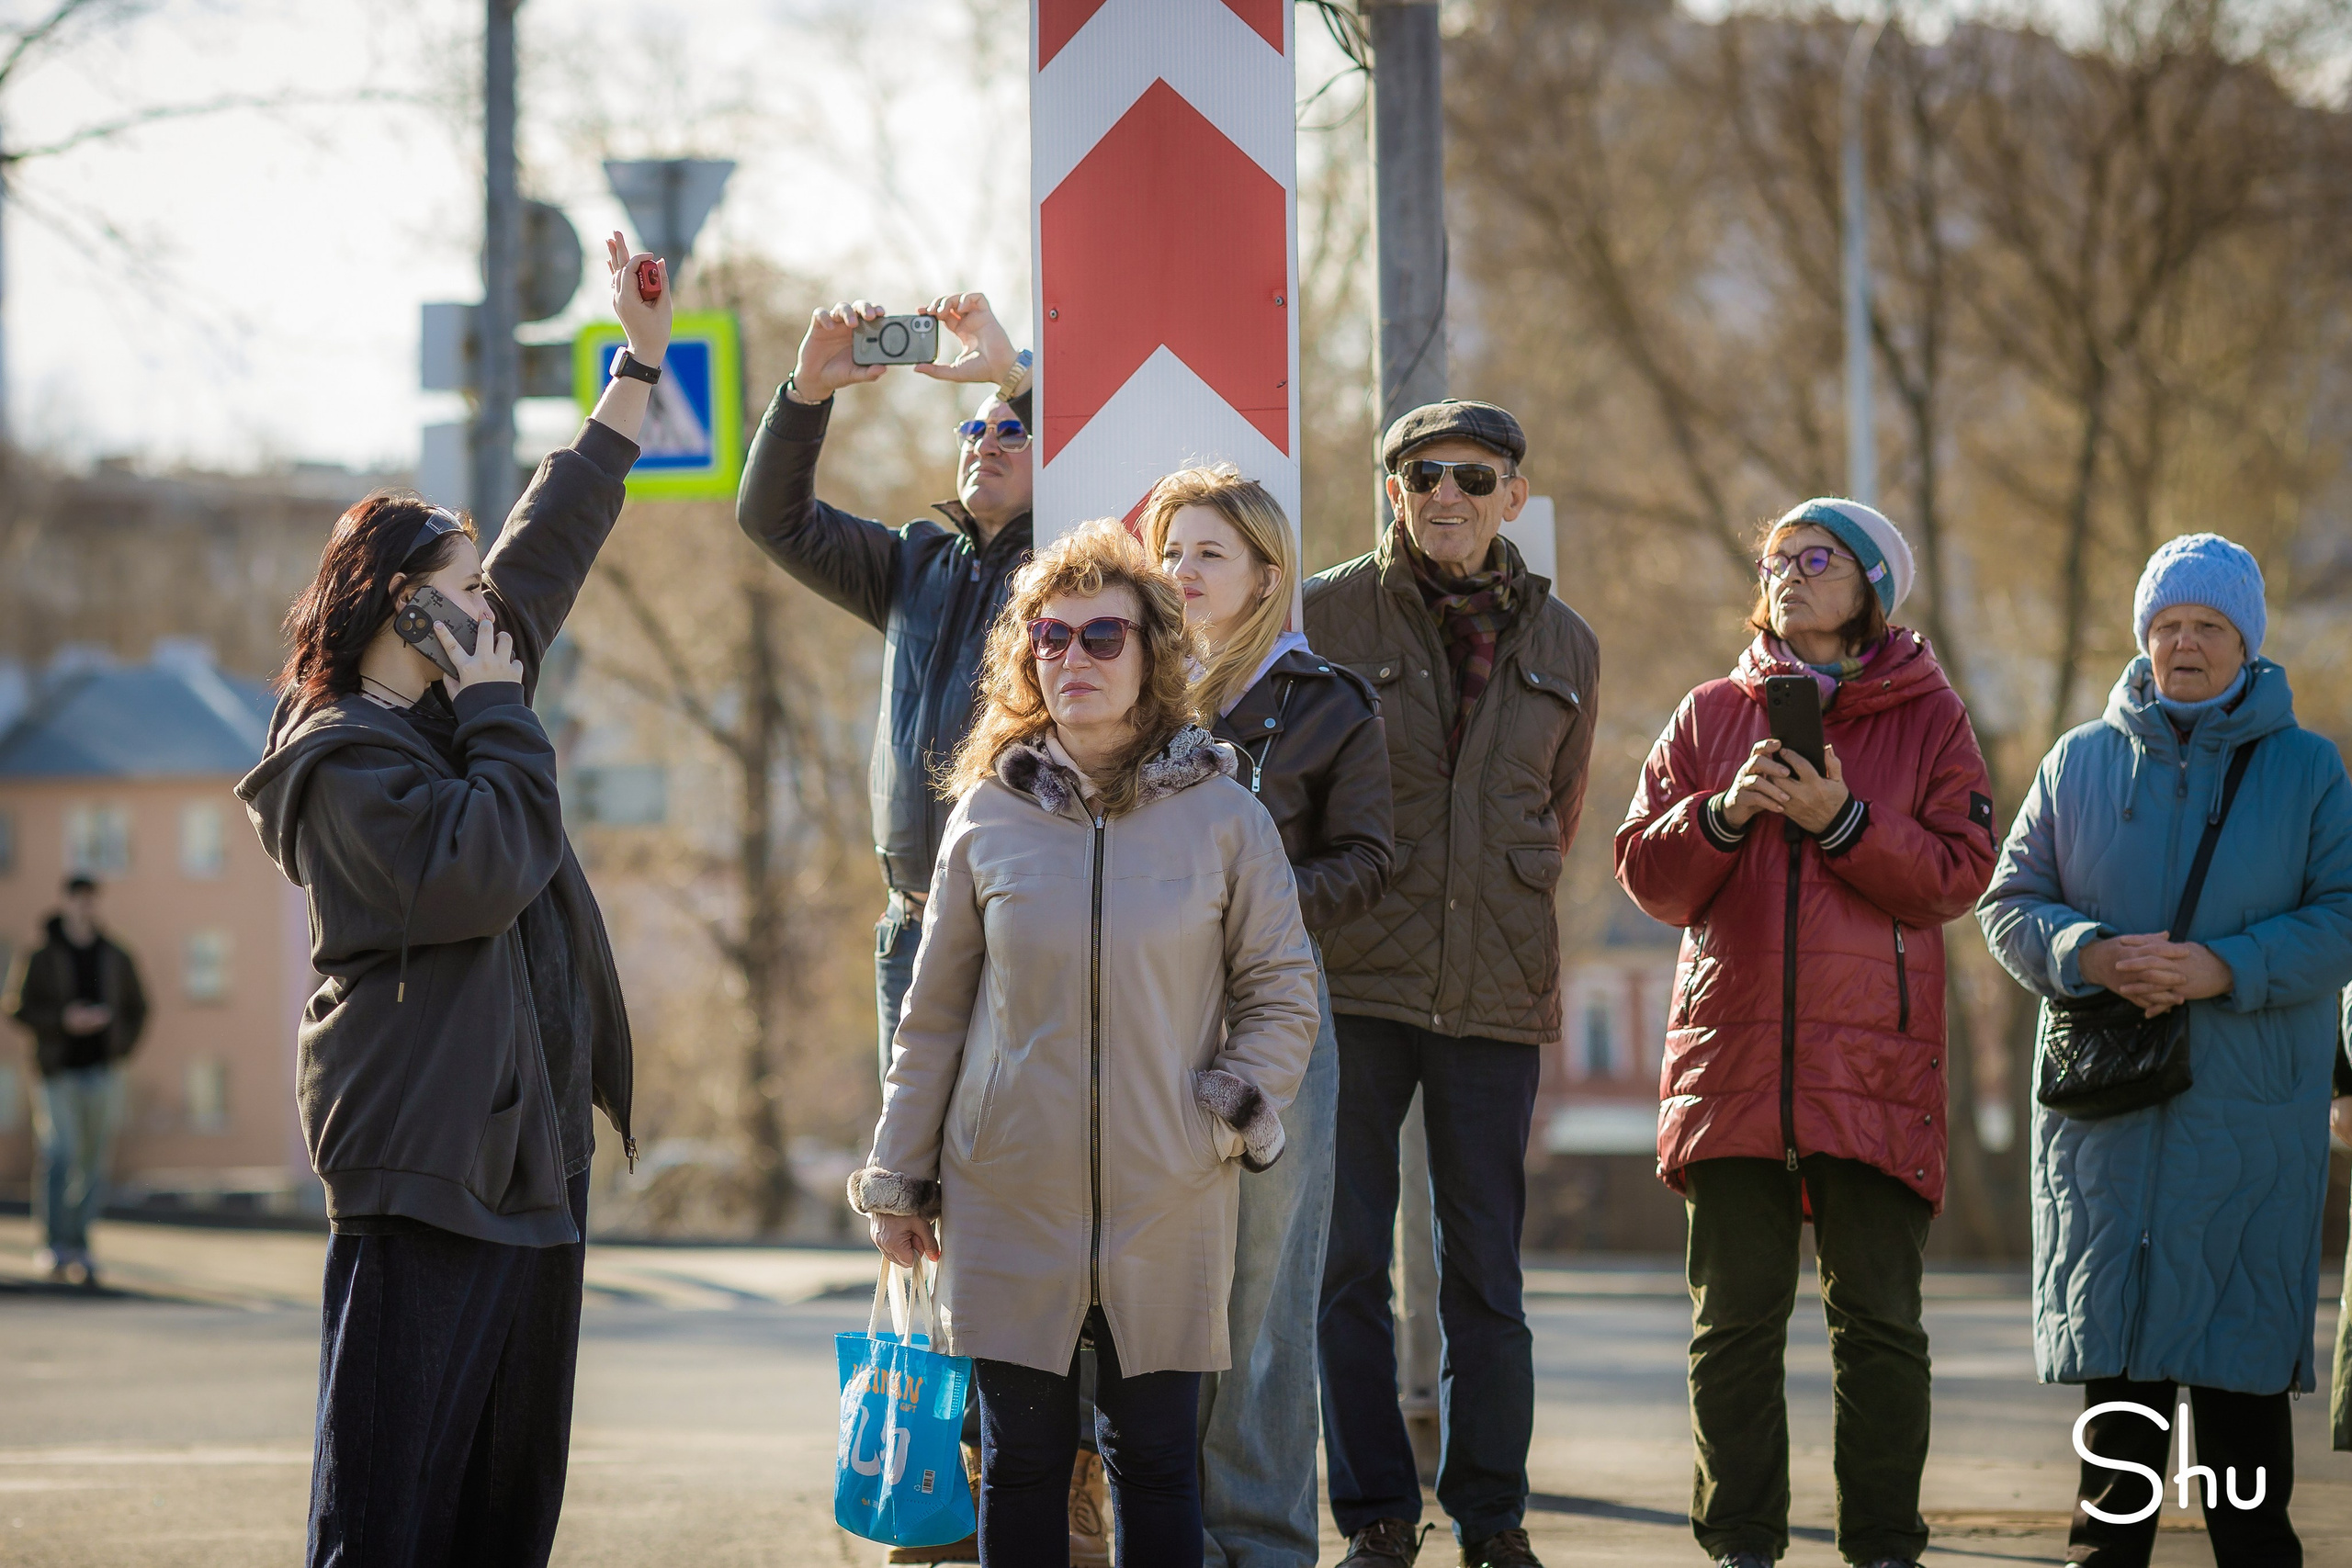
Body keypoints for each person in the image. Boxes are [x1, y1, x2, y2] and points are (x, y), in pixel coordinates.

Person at [233, 234, 667, 1568]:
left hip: (531, 1158)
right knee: (388, 1512)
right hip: (426, 1166)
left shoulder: (461, 694)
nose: (495, 617)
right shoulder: (343, 758)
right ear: (401, 611)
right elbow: (482, 867)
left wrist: (639, 362)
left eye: (485, 599)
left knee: (502, 1504)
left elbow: (556, 530)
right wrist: (496, 704)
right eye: (465, 597)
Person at [849, 519, 1320, 1568]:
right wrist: (901, 1179)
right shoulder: (987, 815)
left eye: (1102, 637)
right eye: (1049, 640)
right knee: (1018, 1461)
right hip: (1007, 1187)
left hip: (1170, 1186)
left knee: (1154, 1460)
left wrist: (1229, 1113)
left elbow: (1284, 990)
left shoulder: (1224, 815)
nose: (1073, 659)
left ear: (1153, 652)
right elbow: (933, 1015)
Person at [1614, 499, 1996, 1568]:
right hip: (1729, 1061)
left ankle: (1880, 1545)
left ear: (1870, 582)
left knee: (1877, 1325)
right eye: (1774, 558)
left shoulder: (1932, 718)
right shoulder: (1705, 714)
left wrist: (1842, 821)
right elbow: (1643, 870)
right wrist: (1723, 816)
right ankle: (1739, 1544)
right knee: (1730, 1327)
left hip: (1870, 1062)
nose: (1786, 572)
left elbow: (1959, 876)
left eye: (1814, 557)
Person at [1980, 532, 2352, 1568]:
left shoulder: (2308, 771)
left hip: (2247, 1135)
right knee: (2117, 1459)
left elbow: (2344, 917)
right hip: (2109, 1138)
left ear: (2247, 643)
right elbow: (2006, 905)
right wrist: (2087, 954)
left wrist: (2223, 966)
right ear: (2143, 639)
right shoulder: (2076, 762)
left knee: (2243, 1473)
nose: (2183, 645)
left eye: (2207, 627)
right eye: (2166, 626)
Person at [1303, 400, 1600, 1568]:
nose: (1446, 497)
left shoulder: (1569, 644)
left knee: (1488, 1274)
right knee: (1343, 1267)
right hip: (1354, 983)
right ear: (1392, 489)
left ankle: (1494, 1519)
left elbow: (1556, 813)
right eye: (1421, 475)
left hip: (1494, 994)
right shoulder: (1324, 612)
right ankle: (1376, 1513)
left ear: (1514, 496)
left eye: (1473, 479)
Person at [1141, 465, 1392, 1568]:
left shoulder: (1325, 699)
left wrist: (1256, 904)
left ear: (1264, 576)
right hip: (1137, 1018)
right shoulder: (1116, 681)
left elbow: (1371, 860)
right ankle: (1166, 1528)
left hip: (1274, 1019)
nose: (1182, 572)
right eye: (1170, 550)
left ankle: (1265, 1537)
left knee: (1264, 1290)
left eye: (1208, 554)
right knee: (1145, 1282)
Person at [734, 291, 1035, 1089]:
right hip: (910, 924)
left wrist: (1013, 376)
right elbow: (774, 520)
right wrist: (808, 390)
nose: (987, 442)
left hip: (1024, 919)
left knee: (1015, 1171)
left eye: (1012, 429)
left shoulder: (1072, 572)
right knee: (909, 1186)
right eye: (973, 429)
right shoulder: (914, 562)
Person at [6, 874, 148, 1286]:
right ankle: (54, 1244)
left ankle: (81, 1245)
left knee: (92, 1161)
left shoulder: (115, 955)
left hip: (103, 1070)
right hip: (56, 1073)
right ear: (67, 903)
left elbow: (140, 1007)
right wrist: (64, 1021)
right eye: (78, 900)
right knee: (60, 1153)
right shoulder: (41, 952)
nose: (85, 907)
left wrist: (121, 1047)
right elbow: (18, 1007)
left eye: (91, 900)